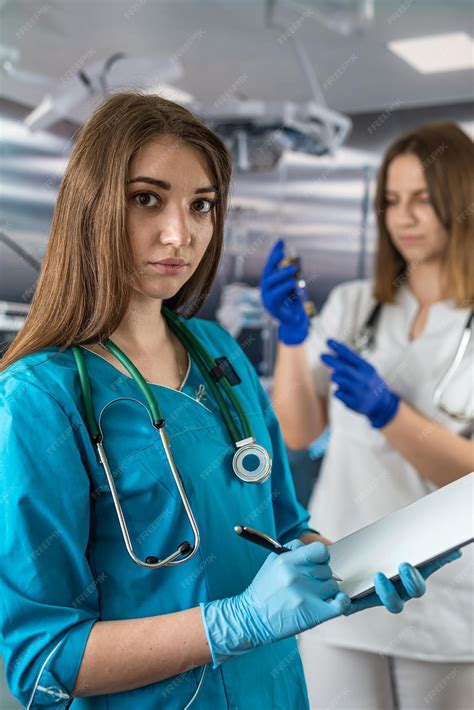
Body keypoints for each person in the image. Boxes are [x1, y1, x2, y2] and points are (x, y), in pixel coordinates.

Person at [0, 95, 460, 710]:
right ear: (91, 205)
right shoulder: (40, 398)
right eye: (147, 199)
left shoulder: (217, 353)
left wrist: (352, 571)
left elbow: (286, 529)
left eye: (201, 206)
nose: (179, 234)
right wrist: (233, 624)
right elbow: (43, 662)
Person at [260, 121, 474, 709]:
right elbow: (301, 432)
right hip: (345, 577)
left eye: (423, 200)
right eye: (390, 201)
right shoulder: (357, 303)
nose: (402, 217)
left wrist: (388, 413)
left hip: (447, 595)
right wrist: (293, 339)